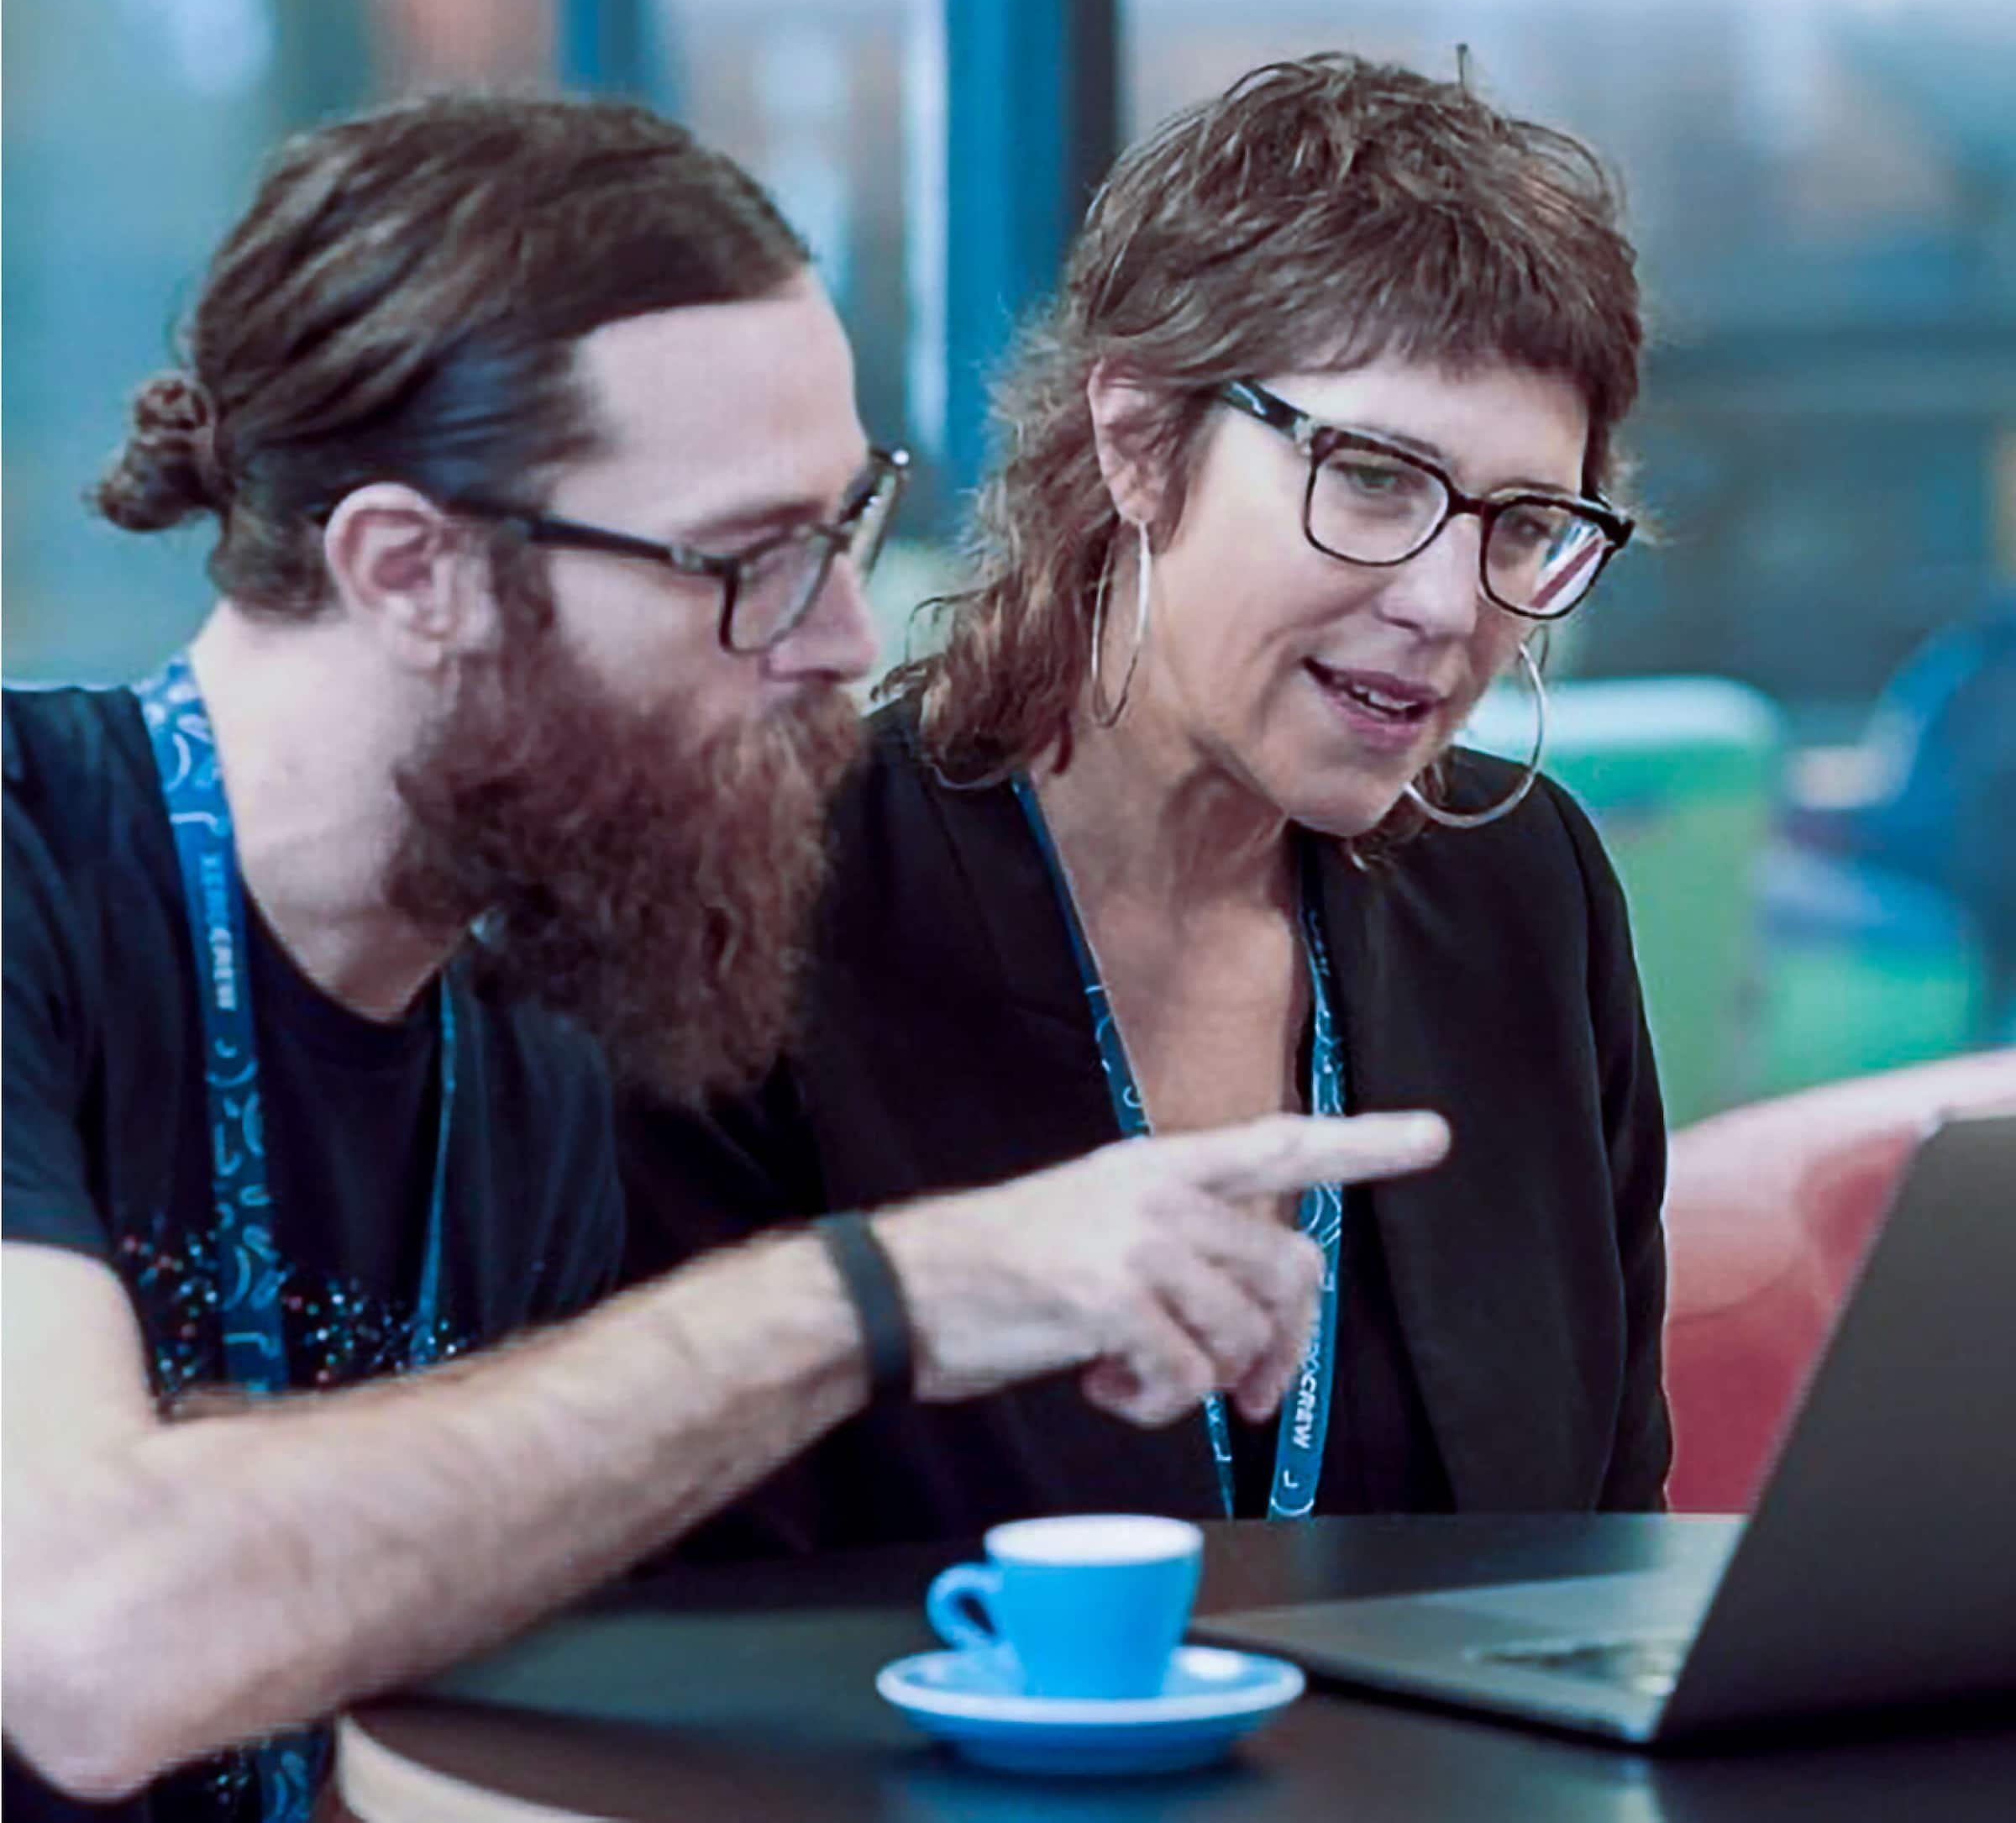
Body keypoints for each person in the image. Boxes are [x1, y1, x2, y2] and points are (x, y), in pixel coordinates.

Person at [0, 95, 1450, 1821]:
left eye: (844, 531)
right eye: (755, 560)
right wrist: (889, 1292)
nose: (844, 639)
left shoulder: (532, 1021)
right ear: (411, 569)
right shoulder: (32, 870)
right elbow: (90, 1645)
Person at [627, 54, 1670, 1542]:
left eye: (1524, 522)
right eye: (1373, 477)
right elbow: (669, 1611)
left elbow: (1612, 1544)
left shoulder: (1525, 891)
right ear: (1137, 441)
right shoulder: (766, 903)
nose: (1451, 603)